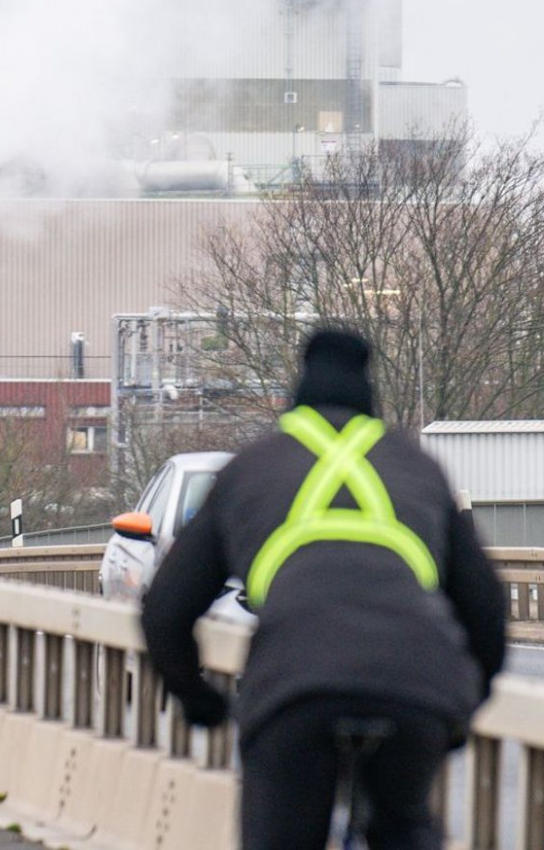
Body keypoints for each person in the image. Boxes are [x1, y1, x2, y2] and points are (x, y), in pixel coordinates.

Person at [141, 328, 506, 850]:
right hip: (415, 684)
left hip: (296, 686)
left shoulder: (252, 468)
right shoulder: (417, 467)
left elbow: (165, 610)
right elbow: (486, 609)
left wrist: (198, 699)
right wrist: (464, 703)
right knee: (404, 823)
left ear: (299, 388)